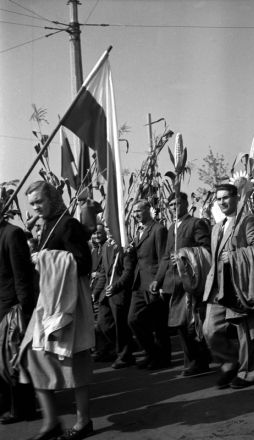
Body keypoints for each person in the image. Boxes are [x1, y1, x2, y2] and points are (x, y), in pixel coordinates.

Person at [20, 181, 95, 440]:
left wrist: (46, 258)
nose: (36, 208)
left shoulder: (69, 224)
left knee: (76, 361)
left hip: (69, 304)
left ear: (52, 197)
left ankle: (83, 421)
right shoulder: (46, 225)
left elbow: (84, 263)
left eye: (39, 201)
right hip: (50, 303)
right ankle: (51, 422)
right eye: (32, 204)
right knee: (33, 356)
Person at [203, 184, 254, 389]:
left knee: (246, 332)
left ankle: (248, 373)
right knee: (209, 330)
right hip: (218, 288)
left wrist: (233, 257)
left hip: (239, 286)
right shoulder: (217, 227)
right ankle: (231, 361)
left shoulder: (247, 221)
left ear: (236, 198)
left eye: (226, 198)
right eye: (219, 199)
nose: (222, 202)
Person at [150, 192, 211, 376]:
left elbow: (206, 249)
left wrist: (185, 254)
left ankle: (197, 361)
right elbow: (165, 257)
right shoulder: (171, 229)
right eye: (171, 205)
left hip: (190, 282)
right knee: (179, 324)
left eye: (177, 203)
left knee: (191, 323)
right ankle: (195, 359)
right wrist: (158, 279)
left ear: (185, 204)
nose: (174, 207)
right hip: (172, 283)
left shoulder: (196, 223)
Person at [0, 198, 37, 425]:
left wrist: (23, 310)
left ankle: (22, 409)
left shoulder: (12, 234)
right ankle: (7, 404)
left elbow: (21, 275)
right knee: (3, 363)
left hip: (12, 308)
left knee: (15, 361)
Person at [127, 200, 171, 370]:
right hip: (139, 283)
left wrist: (160, 282)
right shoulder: (138, 231)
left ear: (148, 210)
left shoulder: (158, 229)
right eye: (134, 212)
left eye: (139, 210)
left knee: (159, 324)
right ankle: (152, 353)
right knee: (133, 320)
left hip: (153, 281)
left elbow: (163, 257)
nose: (136, 214)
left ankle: (162, 359)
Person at [92, 227, 136, 370]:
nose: (108, 230)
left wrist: (116, 286)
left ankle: (125, 355)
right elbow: (104, 272)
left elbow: (128, 271)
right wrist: (96, 292)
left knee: (120, 325)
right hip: (106, 293)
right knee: (103, 323)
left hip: (119, 292)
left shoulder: (124, 246)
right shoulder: (106, 246)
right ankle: (121, 347)